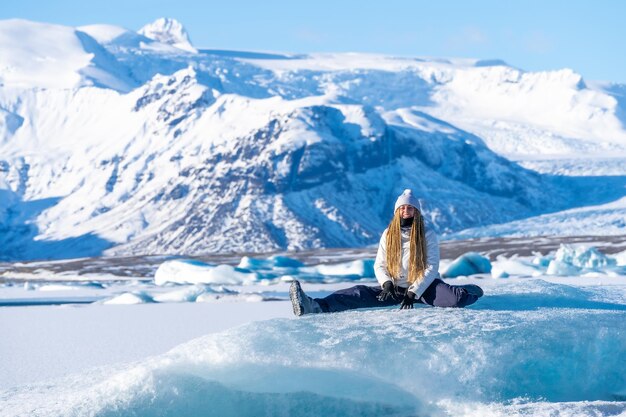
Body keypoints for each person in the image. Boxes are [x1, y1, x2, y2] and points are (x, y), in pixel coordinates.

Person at [290, 189, 483, 316]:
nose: (406, 211)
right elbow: (380, 264)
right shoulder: (388, 234)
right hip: (394, 287)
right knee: (357, 294)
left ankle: (468, 290)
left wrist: (414, 292)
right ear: (397, 211)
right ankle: (313, 306)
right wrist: (387, 283)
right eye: (402, 208)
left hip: (424, 287)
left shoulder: (427, 234)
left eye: (410, 208)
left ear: (416, 211)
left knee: (455, 299)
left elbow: (431, 266)